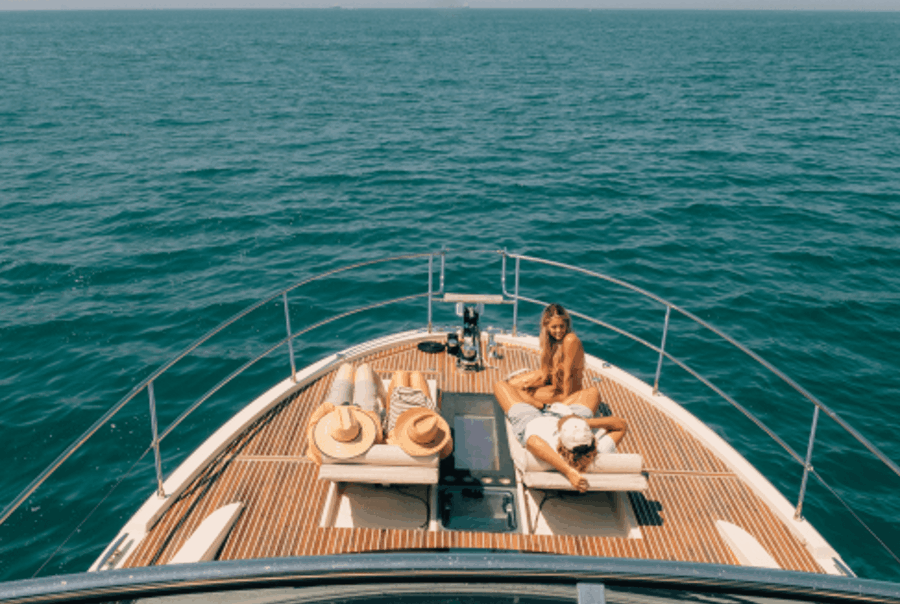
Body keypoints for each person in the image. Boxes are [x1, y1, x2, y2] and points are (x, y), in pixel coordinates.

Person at [495, 379, 628, 492]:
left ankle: (541, 405)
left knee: (501, 385)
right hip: (571, 417)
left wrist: (568, 472)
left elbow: (532, 441)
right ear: (591, 440)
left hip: (530, 419)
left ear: (560, 438)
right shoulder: (599, 451)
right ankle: (547, 406)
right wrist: (582, 422)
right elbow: (621, 425)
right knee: (593, 392)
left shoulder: (552, 451)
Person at [504, 303, 598, 410]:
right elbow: (547, 373)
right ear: (546, 327)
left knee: (518, 393)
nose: (558, 331)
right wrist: (532, 384)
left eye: (562, 326)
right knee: (511, 384)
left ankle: (542, 406)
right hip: (553, 384)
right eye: (554, 327)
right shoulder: (551, 342)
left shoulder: (570, 340)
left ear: (567, 325)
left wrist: (566, 404)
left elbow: (568, 375)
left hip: (566, 393)